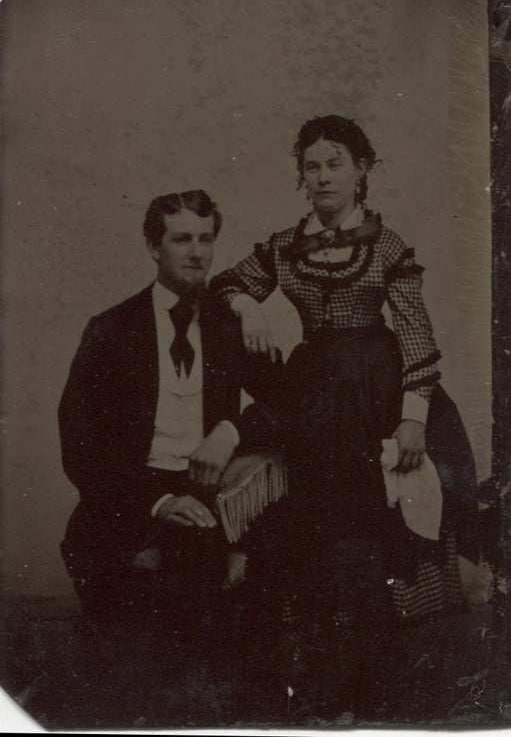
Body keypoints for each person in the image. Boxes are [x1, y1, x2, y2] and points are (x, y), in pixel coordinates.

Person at [210, 115, 479, 720]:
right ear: (300, 177)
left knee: (372, 531)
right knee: (315, 533)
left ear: (362, 172)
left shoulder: (386, 245)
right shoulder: (283, 243)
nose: (323, 175)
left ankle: (375, 685)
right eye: (312, 165)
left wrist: (413, 418)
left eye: (336, 162)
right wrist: (248, 303)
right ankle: (319, 681)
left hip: (376, 390)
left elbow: (414, 335)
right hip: (312, 391)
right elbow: (225, 283)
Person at [58, 189, 280, 621]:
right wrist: (159, 501)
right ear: (152, 247)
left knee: (231, 598)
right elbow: (80, 444)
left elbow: (287, 400)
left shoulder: (229, 326)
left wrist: (231, 431)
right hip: (130, 495)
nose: (197, 253)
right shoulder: (111, 330)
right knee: (136, 608)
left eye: (206, 239)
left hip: (207, 489)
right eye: (182, 240)